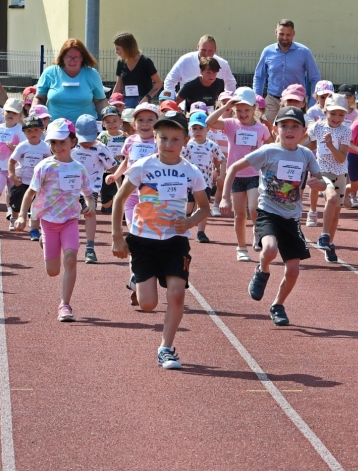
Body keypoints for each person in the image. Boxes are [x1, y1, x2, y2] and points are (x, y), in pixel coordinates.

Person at [111, 111, 210, 369]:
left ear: (185, 141)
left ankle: (166, 348)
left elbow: (204, 207)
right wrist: (117, 236)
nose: (168, 144)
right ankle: (138, 278)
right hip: (143, 240)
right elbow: (120, 199)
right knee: (148, 304)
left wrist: (190, 222)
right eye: (163, 138)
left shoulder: (191, 172)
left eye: (175, 139)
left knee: (176, 294)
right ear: (155, 138)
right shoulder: (143, 166)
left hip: (175, 240)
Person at [226, 106, 325, 327]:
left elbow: (321, 180)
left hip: (292, 218)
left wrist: (319, 184)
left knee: (294, 270)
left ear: (304, 131)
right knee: (270, 249)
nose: (289, 130)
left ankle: (278, 305)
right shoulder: (268, 151)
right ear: (275, 129)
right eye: (284, 126)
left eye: (295, 126)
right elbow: (233, 168)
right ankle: (262, 270)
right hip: (268, 212)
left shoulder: (306, 154)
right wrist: (224, 198)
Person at [18, 118, 95, 322]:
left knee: (70, 258)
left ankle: (65, 305)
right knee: (53, 271)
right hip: (49, 222)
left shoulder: (79, 169)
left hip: (70, 220)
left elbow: (88, 194)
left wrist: (90, 204)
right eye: (53, 142)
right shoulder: (44, 166)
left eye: (62, 142)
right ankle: (45, 241)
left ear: (73, 142)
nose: (57, 146)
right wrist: (22, 215)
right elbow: (30, 192)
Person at [206, 88, 270, 261]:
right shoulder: (230, 124)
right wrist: (226, 106)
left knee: (254, 208)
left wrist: (261, 153)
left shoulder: (261, 128)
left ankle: (257, 231)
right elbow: (209, 121)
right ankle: (241, 248)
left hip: (254, 174)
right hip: (235, 176)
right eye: (239, 110)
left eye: (247, 110)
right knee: (240, 215)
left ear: (255, 108)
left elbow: (270, 146)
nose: (243, 114)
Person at [305, 93, 355, 262]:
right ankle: (324, 235)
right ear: (325, 111)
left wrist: (330, 145)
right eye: (333, 113)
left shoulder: (346, 131)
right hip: (322, 171)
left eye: (341, 114)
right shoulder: (317, 127)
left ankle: (329, 243)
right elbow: (309, 142)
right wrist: (292, 149)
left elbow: (341, 158)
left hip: (340, 172)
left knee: (335, 213)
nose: (337, 118)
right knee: (331, 198)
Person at [253, 20, 322, 122]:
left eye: (288, 34)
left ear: (293, 34)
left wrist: (312, 103)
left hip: (295, 101)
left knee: (294, 129)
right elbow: (259, 77)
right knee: (270, 129)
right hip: (273, 101)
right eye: (281, 34)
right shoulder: (267, 52)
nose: (285, 37)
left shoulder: (304, 52)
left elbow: (315, 78)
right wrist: (257, 99)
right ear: (276, 32)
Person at [105, 103, 160, 229]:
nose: (145, 124)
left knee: (148, 220)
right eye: (140, 120)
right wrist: (115, 175)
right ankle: (132, 231)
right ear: (134, 124)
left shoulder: (159, 142)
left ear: (158, 123)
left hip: (150, 188)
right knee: (130, 211)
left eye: (150, 120)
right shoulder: (130, 140)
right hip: (130, 185)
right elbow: (126, 162)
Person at [72, 114, 118, 264]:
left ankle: (90, 248)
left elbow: (114, 168)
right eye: (83, 139)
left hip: (90, 189)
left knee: (90, 214)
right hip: (69, 188)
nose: (86, 143)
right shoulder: (71, 145)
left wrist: (119, 183)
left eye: (89, 138)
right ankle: (65, 243)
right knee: (69, 216)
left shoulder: (100, 148)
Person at [36, 39, 109, 123]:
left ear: (82, 57)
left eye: (76, 57)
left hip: (86, 126)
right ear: (63, 57)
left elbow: (100, 101)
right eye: (69, 57)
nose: (72, 61)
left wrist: (109, 118)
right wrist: (35, 116)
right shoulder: (49, 73)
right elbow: (40, 98)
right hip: (55, 127)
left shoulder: (92, 74)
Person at [181, 111, 225, 243]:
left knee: (203, 208)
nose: (197, 131)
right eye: (194, 128)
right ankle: (184, 227)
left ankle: (201, 233)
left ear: (208, 129)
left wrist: (221, 173)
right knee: (188, 208)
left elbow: (222, 160)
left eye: (201, 128)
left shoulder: (212, 145)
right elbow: (179, 159)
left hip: (205, 182)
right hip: (188, 182)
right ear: (190, 129)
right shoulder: (187, 145)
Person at [0, 99, 25, 234]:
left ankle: (14, 218)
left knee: (13, 195)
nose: (11, 114)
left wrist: (14, 148)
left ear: (20, 116)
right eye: (8, 111)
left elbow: (24, 149)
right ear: (3, 113)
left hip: (14, 169)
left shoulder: (20, 130)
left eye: (15, 113)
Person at [9, 116, 52, 239]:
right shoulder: (22, 146)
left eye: (36, 130)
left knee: (36, 207)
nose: (33, 133)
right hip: (22, 180)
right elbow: (12, 161)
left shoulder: (45, 147)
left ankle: (34, 229)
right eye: (29, 131)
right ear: (24, 132)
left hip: (38, 183)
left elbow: (50, 163)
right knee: (16, 203)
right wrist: (12, 176)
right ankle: (14, 219)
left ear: (42, 130)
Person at [162, 34, 238, 97]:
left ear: (216, 49)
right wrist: (171, 101)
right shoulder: (185, 60)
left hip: (212, 107)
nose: (206, 54)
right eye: (203, 50)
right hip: (187, 106)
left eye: (210, 50)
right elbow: (170, 81)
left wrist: (227, 102)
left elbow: (230, 84)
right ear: (198, 47)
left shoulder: (223, 64)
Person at [112, 32, 162, 108]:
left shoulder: (146, 61)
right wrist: (112, 101)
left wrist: (146, 98)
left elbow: (158, 83)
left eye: (118, 49)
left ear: (127, 48)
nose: (116, 52)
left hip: (143, 104)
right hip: (126, 103)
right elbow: (119, 85)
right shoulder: (120, 62)